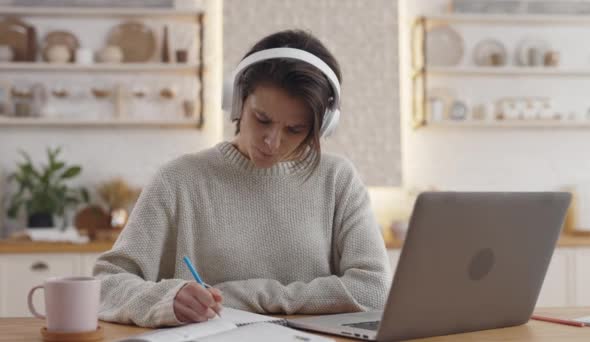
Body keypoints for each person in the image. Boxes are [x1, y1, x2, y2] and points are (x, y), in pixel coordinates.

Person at [93, 29, 391, 328]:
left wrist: (236, 294)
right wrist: (165, 299)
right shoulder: (178, 180)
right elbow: (106, 285)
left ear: (323, 126)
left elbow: (373, 288)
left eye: (294, 130)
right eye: (262, 119)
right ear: (236, 101)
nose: (272, 142)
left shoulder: (338, 180)